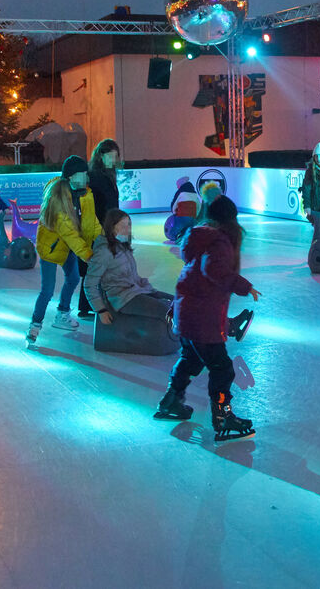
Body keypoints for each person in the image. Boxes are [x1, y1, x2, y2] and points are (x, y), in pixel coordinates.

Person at [155, 195, 260, 442]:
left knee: (190, 360)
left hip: (187, 314)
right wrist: (245, 286)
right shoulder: (220, 241)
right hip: (203, 318)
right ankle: (223, 417)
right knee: (222, 369)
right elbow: (215, 271)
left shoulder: (199, 237)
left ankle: (171, 401)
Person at [27, 156, 101, 345]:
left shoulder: (85, 194)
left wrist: (107, 239)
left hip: (68, 247)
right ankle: (35, 325)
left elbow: (91, 223)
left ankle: (62, 313)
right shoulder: (57, 199)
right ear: (71, 176)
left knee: (74, 278)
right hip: (51, 250)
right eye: (83, 174)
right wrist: (88, 255)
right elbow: (69, 233)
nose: (86, 177)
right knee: (47, 290)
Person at [84, 209, 173, 326]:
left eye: (129, 225)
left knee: (176, 302)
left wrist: (147, 289)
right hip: (122, 299)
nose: (128, 230)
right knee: (168, 311)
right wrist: (100, 310)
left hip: (136, 291)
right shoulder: (104, 252)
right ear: (112, 227)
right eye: (122, 226)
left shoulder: (122, 246)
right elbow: (89, 284)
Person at [78, 139, 122, 319]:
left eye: (115, 155)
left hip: (106, 227)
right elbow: (95, 207)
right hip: (98, 230)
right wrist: (103, 229)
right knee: (96, 267)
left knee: (100, 266)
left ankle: (90, 304)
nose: (114, 159)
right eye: (110, 156)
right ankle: (87, 306)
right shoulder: (96, 177)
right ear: (100, 156)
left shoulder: (106, 175)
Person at [165, 177, 200, 241]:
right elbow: (198, 206)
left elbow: (174, 205)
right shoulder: (194, 193)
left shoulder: (180, 192)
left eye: (177, 185)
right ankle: (187, 234)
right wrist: (195, 216)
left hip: (182, 217)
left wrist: (174, 213)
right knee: (188, 227)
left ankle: (174, 236)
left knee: (174, 224)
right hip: (192, 218)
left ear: (181, 185)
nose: (177, 187)